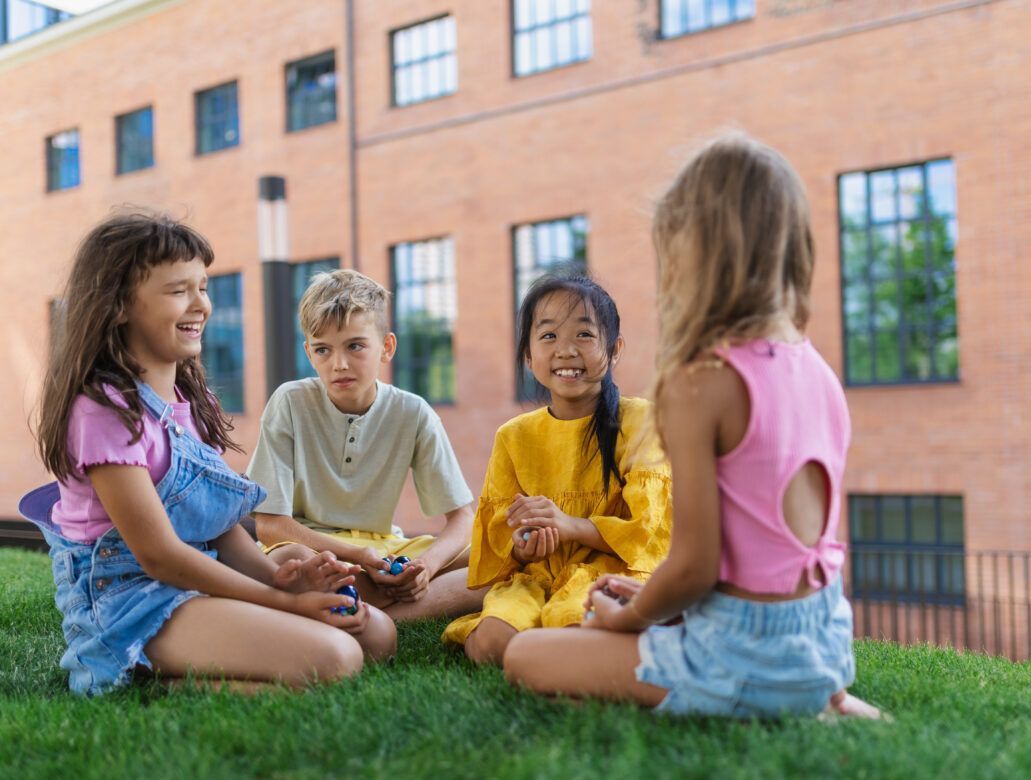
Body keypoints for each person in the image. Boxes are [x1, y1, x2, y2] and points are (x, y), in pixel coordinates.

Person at [503, 135, 884, 719]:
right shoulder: (816, 367)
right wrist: (661, 603)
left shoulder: (699, 382)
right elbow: (765, 552)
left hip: (740, 653)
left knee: (526, 655)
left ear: (691, 253)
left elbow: (694, 566)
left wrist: (631, 617)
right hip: (823, 638)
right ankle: (820, 699)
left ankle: (754, 700)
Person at [21, 212, 392, 697]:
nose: (201, 304)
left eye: (204, 286)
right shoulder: (104, 412)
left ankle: (190, 661)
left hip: (197, 575)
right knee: (335, 658)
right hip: (128, 599)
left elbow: (217, 526)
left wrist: (283, 579)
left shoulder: (192, 403)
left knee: (379, 636)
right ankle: (137, 675)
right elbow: (159, 556)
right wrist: (286, 605)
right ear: (117, 306)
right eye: (179, 291)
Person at [442, 273, 673, 666]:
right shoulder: (513, 436)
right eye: (548, 336)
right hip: (537, 576)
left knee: (572, 627)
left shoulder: (641, 421)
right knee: (490, 643)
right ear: (529, 357)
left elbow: (647, 533)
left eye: (584, 335)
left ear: (614, 350)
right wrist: (523, 543)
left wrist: (571, 526)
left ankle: (559, 651)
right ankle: (539, 647)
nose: (565, 350)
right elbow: (499, 542)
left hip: (612, 572)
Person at [247, 269, 481, 621]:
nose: (338, 364)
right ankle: (394, 609)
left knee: (493, 556)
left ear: (386, 347)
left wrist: (425, 567)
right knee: (291, 561)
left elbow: (463, 518)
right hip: (314, 548)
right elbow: (270, 526)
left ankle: (371, 605)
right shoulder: (290, 401)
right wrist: (357, 558)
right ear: (309, 354)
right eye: (323, 350)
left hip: (383, 549)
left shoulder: (413, 412)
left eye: (355, 346)